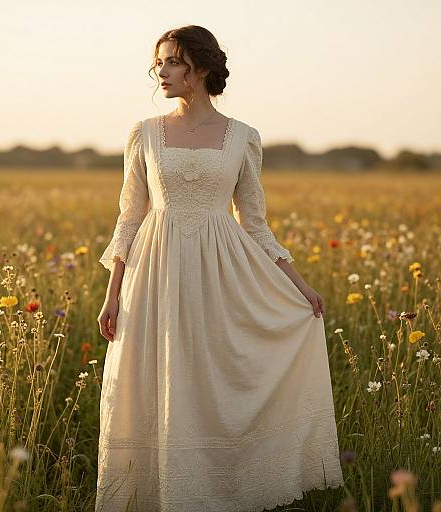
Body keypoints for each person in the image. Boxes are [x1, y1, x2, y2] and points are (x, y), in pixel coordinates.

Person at [96, 25, 344, 512]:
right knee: (157, 380)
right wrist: (113, 293)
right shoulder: (144, 133)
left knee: (213, 377)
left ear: (201, 68)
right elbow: (130, 215)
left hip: (221, 272)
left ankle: (221, 492)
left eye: (171, 62)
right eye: (158, 63)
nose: (160, 72)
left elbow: (253, 222)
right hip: (155, 272)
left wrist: (300, 286)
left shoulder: (243, 137)